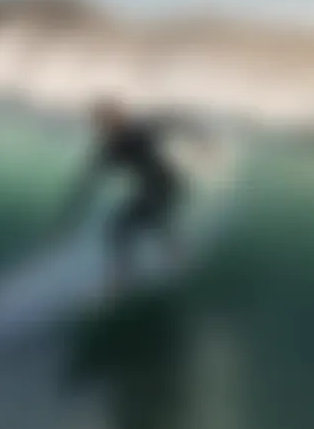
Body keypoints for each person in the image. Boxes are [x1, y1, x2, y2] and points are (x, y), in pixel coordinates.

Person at [54, 99, 203, 293]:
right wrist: (72, 210)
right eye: (102, 124)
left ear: (119, 118)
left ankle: (165, 259)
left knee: (140, 220)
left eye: (109, 121)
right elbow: (90, 183)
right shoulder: (111, 149)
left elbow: (171, 122)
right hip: (150, 188)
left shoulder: (138, 131)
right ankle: (146, 266)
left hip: (168, 184)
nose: (105, 127)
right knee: (123, 228)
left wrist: (199, 137)